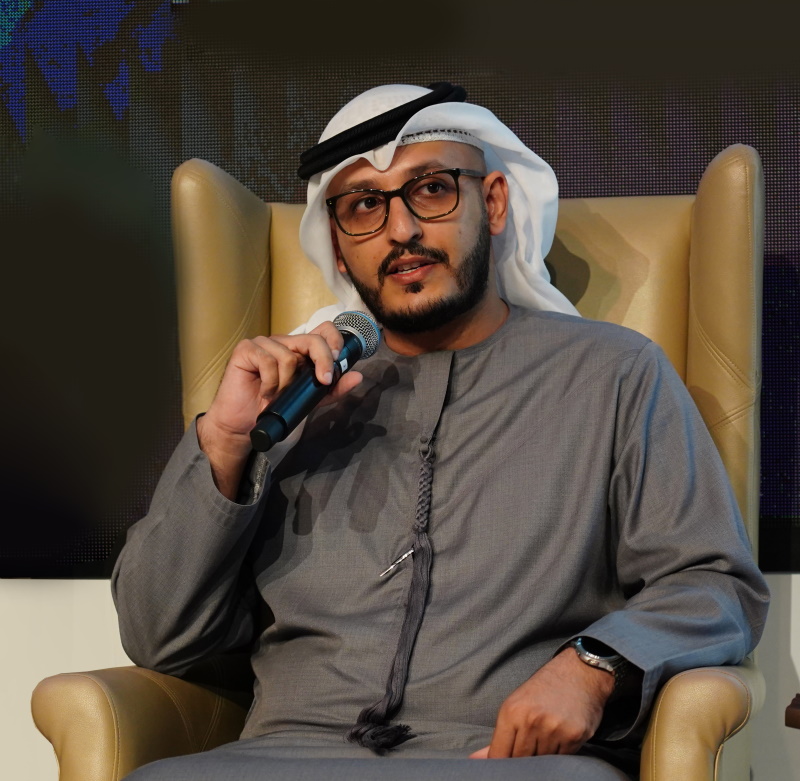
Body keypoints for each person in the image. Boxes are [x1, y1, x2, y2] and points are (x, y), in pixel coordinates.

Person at [112, 83, 769, 781]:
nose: (400, 230)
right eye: (364, 205)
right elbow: (158, 637)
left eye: (431, 189)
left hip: (503, 761)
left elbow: (713, 583)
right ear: (338, 247)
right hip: (285, 755)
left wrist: (591, 665)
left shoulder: (612, 375)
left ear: (494, 203)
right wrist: (226, 444)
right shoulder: (290, 402)